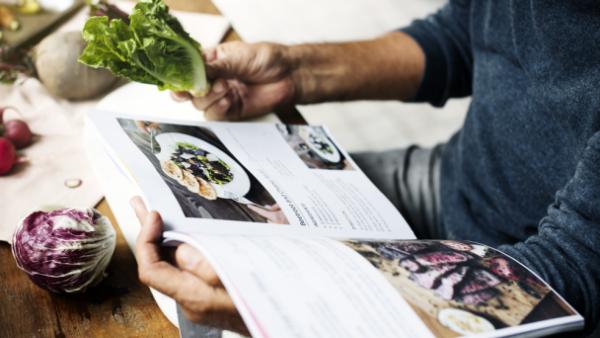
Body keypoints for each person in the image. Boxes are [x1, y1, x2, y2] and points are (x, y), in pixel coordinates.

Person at [132, 0, 600, 335]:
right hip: (451, 180)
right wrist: (292, 72)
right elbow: (464, 36)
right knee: (199, 231)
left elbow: (576, 267)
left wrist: (297, 309)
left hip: (539, 280)